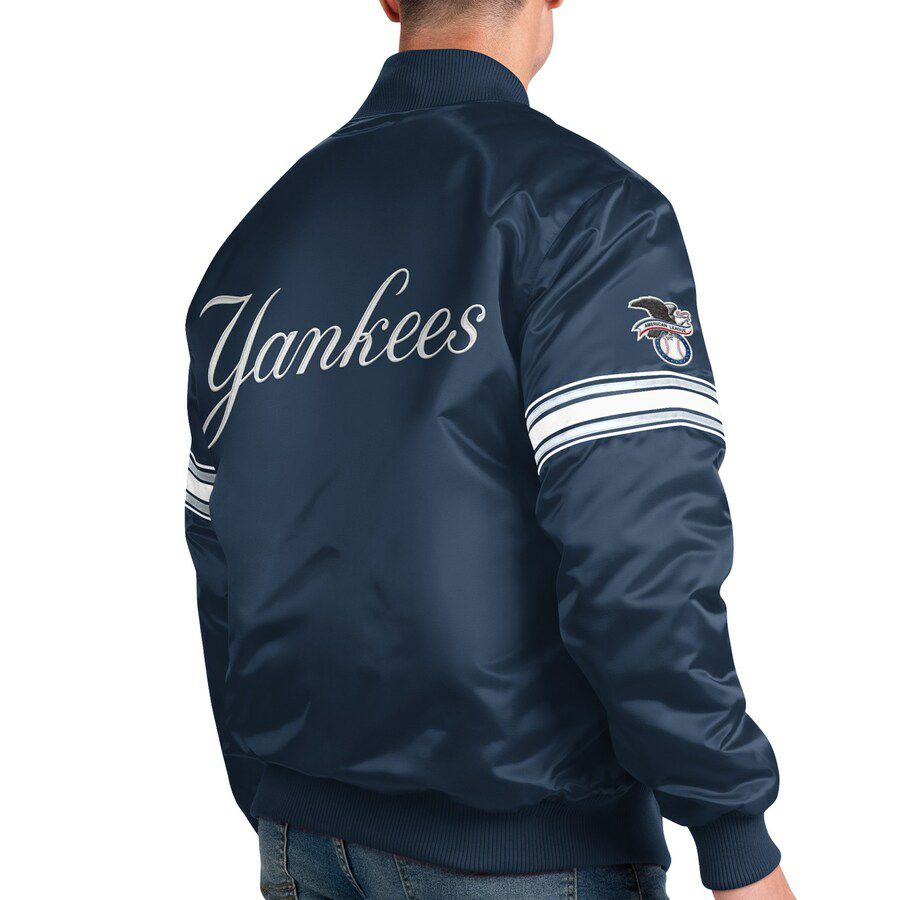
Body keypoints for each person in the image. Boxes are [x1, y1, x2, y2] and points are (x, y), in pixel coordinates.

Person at [185, 1, 793, 896]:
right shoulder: (588, 214)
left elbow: (222, 564)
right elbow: (636, 560)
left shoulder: (254, 245)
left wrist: (273, 793)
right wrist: (734, 835)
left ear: (391, 0)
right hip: (529, 852)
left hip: (300, 836)